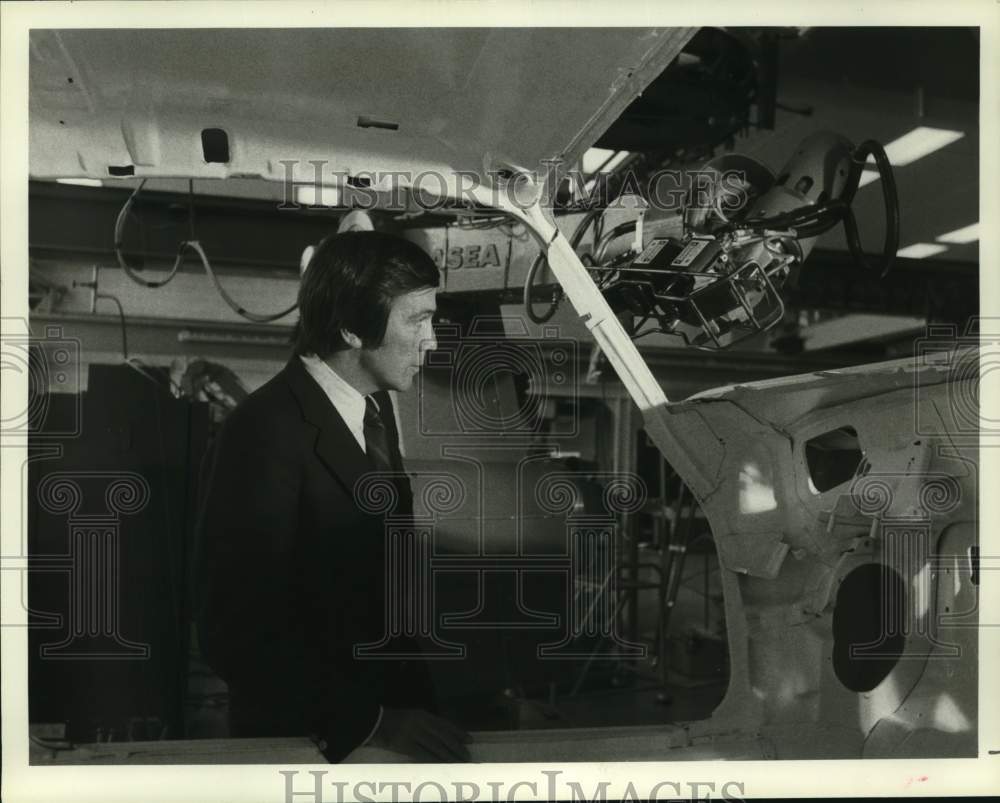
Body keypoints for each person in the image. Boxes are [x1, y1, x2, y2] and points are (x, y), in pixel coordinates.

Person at [194, 231, 470, 762]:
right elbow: (233, 631)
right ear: (350, 326)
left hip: (392, 728)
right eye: (416, 320)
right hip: (314, 745)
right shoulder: (263, 432)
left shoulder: (372, 411)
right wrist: (371, 723)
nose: (431, 341)